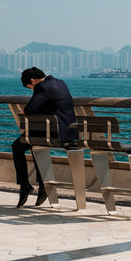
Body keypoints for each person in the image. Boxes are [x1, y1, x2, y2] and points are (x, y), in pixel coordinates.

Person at [12, 67, 78, 207]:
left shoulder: (41, 86)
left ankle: (25, 185)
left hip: (54, 133)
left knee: (17, 146)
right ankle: (42, 186)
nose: (32, 90)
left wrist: (27, 110)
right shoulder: (60, 82)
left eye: (30, 87)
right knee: (35, 144)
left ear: (33, 81)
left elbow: (30, 109)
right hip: (70, 132)